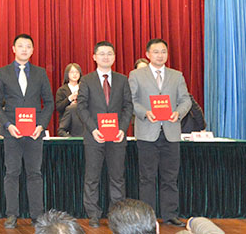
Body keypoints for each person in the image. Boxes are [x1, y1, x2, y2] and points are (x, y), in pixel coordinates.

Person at [0, 34, 54, 228]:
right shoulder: (3, 72)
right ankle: (12, 215)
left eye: (28, 46)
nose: (24, 49)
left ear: (32, 50)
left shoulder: (40, 73)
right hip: (12, 132)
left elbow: (49, 102)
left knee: (35, 173)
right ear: (13, 49)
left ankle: (37, 215)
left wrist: (41, 125)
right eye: (21, 46)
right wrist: (8, 125)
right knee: (12, 173)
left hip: (34, 132)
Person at [129, 38, 191, 227]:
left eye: (163, 51)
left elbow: (186, 100)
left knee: (170, 177)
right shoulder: (136, 75)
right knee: (147, 177)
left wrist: (178, 113)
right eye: (156, 52)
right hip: (147, 133)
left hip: (171, 133)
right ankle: (147, 217)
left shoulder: (176, 75)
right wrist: (144, 112)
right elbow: (131, 100)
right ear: (148, 54)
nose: (160, 55)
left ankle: (170, 214)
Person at [76, 40, 133, 228]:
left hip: (117, 137)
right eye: (102, 54)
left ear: (114, 57)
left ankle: (116, 214)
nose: (106, 57)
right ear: (94, 57)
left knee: (117, 178)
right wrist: (94, 129)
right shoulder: (87, 80)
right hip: (94, 137)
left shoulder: (122, 80)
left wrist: (122, 129)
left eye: (109, 53)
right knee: (92, 178)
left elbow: (128, 107)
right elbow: (81, 107)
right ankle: (93, 214)